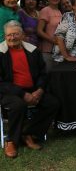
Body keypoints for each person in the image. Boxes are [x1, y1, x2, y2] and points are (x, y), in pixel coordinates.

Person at [0, 21, 59, 158]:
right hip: (9, 92)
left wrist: (39, 90)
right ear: (5, 36)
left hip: (32, 89)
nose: (12, 37)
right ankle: (11, 141)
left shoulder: (33, 50)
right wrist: (22, 94)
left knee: (53, 103)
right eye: (9, 35)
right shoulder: (1, 52)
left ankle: (28, 133)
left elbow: (42, 74)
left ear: (22, 35)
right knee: (18, 105)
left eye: (15, 34)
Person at [37, 0, 62, 72]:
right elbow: (39, 31)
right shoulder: (45, 11)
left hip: (60, 51)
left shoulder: (61, 11)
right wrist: (53, 41)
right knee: (48, 77)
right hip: (48, 51)